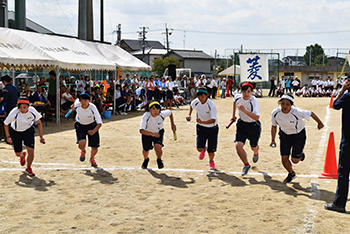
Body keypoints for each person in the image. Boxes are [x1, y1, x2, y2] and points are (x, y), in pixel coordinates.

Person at [270, 93, 324, 183]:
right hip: (284, 135)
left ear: (291, 105)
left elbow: (311, 113)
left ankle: (300, 155)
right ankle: (291, 173)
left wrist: (319, 123)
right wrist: (273, 140)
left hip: (298, 135)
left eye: (287, 104)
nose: (284, 106)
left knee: (295, 160)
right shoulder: (275, 113)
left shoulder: (297, 112)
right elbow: (274, 126)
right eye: (282, 103)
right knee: (284, 159)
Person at [325, 79, 350, 213]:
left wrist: (342, 90)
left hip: (348, 141)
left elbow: (335, 105)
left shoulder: (347, 96)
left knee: (343, 173)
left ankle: (339, 204)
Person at [3, 98, 45, 176]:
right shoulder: (14, 112)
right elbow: (5, 124)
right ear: (18, 107)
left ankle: (28, 167)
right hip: (16, 131)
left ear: (28, 106)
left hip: (28, 130)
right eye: (21, 107)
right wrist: (8, 137)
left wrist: (41, 137)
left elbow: (39, 123)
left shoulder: (32, 111)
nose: (23, 109)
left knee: (31, 150)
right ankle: (22, 155)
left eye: (25, 107)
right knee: (18, 153)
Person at [231, 82, 261, 176]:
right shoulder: (238, 97)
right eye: (244, 91)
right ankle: (246, 165)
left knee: (253, 147)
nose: (246, 94)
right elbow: (234, 102)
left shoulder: (254, 101)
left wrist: (244, 110)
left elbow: (256, 117)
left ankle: (256, 152)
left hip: (254, 126)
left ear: (252, 92)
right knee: (238, 146)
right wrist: (233, 115)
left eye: (248, 91)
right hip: (242, 125)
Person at [187, 88, 219, 170]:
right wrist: (189, 115)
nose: (200, 98)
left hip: (212, 128)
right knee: (199, 148)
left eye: (202, 96)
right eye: (198, 97)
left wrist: (202, 121)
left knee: (211, 150)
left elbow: (213, 120)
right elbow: (191, 105)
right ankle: (203, 149)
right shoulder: (196, 101)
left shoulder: (211, 105)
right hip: (201, 128)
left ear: (206, 95)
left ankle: (211, 161)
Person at [139, 101, 176, 169]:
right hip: (147, 133)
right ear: (149, 109)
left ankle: (159, 159)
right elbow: (141, 130)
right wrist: (153, 134)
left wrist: (172, 124)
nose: (156, 111)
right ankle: (146, 159)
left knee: (158, 148)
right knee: (145, 150)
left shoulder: (162, 114)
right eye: (153, 109)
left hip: (159, 132)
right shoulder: (146, 116)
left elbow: (170, 113)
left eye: (157, 109)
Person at [73, 93, 102, 168]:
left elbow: (99, 123)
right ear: (80, 101)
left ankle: (92, 158)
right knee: (81, 144)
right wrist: (73, 106)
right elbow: (75, 103)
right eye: (83, 99)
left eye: (87, 100)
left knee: (95, 147)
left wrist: (94, 131)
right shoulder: (77, 105)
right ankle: (83, 151)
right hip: (80, 125)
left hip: (92, 125)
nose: (85, 101)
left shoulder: (93, 107)